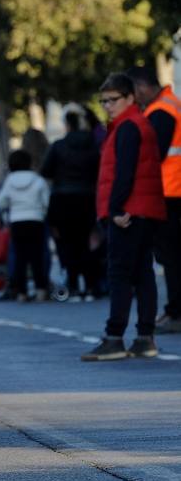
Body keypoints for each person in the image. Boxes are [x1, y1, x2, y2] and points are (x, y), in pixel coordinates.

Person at [82, 73, 166, 361]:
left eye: (113, 100)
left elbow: (125, 173)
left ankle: (114, 337)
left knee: (119, 274)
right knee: (142, 274)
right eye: (103, 101)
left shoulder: (128, 127)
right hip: (143, 209)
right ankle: (145, 338)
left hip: (128, 212)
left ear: (130, 98)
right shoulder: (131, 125)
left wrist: (116, 210)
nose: (107, 106)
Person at [126, 66, 181, 334]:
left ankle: (176, 311)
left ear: (141, 87)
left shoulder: (161, 111)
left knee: (170, 256)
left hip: (169, 191)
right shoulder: (169, 104)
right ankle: (174, 310)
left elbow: (153, 152)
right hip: (171, 188)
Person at [41, 110, 101, 300]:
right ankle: (91, 284)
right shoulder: (92, 146)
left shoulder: (59, 146)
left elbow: (46, 170)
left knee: (67, 243)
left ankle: (73, 283)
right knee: (87, 242)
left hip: (63, 199)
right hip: (88, 198)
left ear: (67, 125)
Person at [0, 150, 50, 301]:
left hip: (17, 221)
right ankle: (41, 289)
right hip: (36, 220)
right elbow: (46, 201)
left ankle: (21, 292)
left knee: (20, 258)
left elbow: (1, 201)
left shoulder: (9, 180)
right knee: (37, 257)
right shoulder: (38, 179)